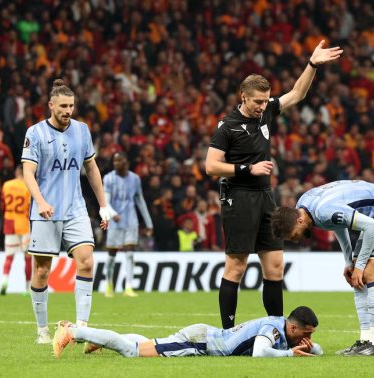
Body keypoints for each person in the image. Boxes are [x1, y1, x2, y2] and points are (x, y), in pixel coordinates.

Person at [205, 40, 343, 329]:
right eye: (257, 101)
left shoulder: (266, 112)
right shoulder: (227, 126)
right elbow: (211, 165)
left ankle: (276, 329)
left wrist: (312, 65)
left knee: (275, 267)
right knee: (237, 266)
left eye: (265, 101)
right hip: (238, 197)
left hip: (265, 197)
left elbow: (297, 94)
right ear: (242, 96)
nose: (262, 106)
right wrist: (248, 168)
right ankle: (228, 332)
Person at [271, 180, 374, 356]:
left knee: (370, 274)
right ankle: (365, 342)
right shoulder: (304, 205)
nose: (296, 240)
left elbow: (372, 227)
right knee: (357, 276)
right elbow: (337, 224)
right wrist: (349, 262)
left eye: (293, 235)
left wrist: (360, 266)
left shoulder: (322, 212)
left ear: (299, 221)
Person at [21, 79, 111, 344]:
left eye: (71, 106)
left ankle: (81, 328)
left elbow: (91, 168)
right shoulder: (35, 133)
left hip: (75, 209)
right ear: (51, 105)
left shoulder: (82, 131)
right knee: (41, 271)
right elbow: (28, 172)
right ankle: (42, 331)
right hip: (45, 211)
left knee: (86, 260)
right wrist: (41, 201)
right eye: (62, 106)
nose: (68, 110)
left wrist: (103, 205)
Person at [53, 306, 322, 358]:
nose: (305, 338)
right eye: (304, 334)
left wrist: (310, 348)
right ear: (293, 326)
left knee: (148, 343)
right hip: (201, 344)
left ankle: (99, 342)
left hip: (203, 336)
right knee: (132, 352)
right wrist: (290, 355)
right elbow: (260, 353)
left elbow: (316, 350)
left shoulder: (283, 327)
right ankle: (74, 331)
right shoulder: (273, 329)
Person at [103, 152, 153, 298]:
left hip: (131, 221)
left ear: (126, 161)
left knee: (130, 254)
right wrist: (112, 214)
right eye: (114, 161)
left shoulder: (135, 179)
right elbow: (105, 200)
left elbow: (140, 200)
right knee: (111, 255)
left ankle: (129, 287)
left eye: (119, 160)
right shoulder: (109, 178)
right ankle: (108, 284)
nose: (116, 163)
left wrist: (148, 222)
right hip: (115, 222)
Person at [0, 165, 32, 295]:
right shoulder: (28, 187)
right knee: (28, 258)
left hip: (9, 223)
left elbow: (2, 205)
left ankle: (4, 280)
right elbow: (30, 207)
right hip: (24, 224)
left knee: (9, 256)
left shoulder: (6, 185)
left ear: (15, 172)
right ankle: (28, 287)